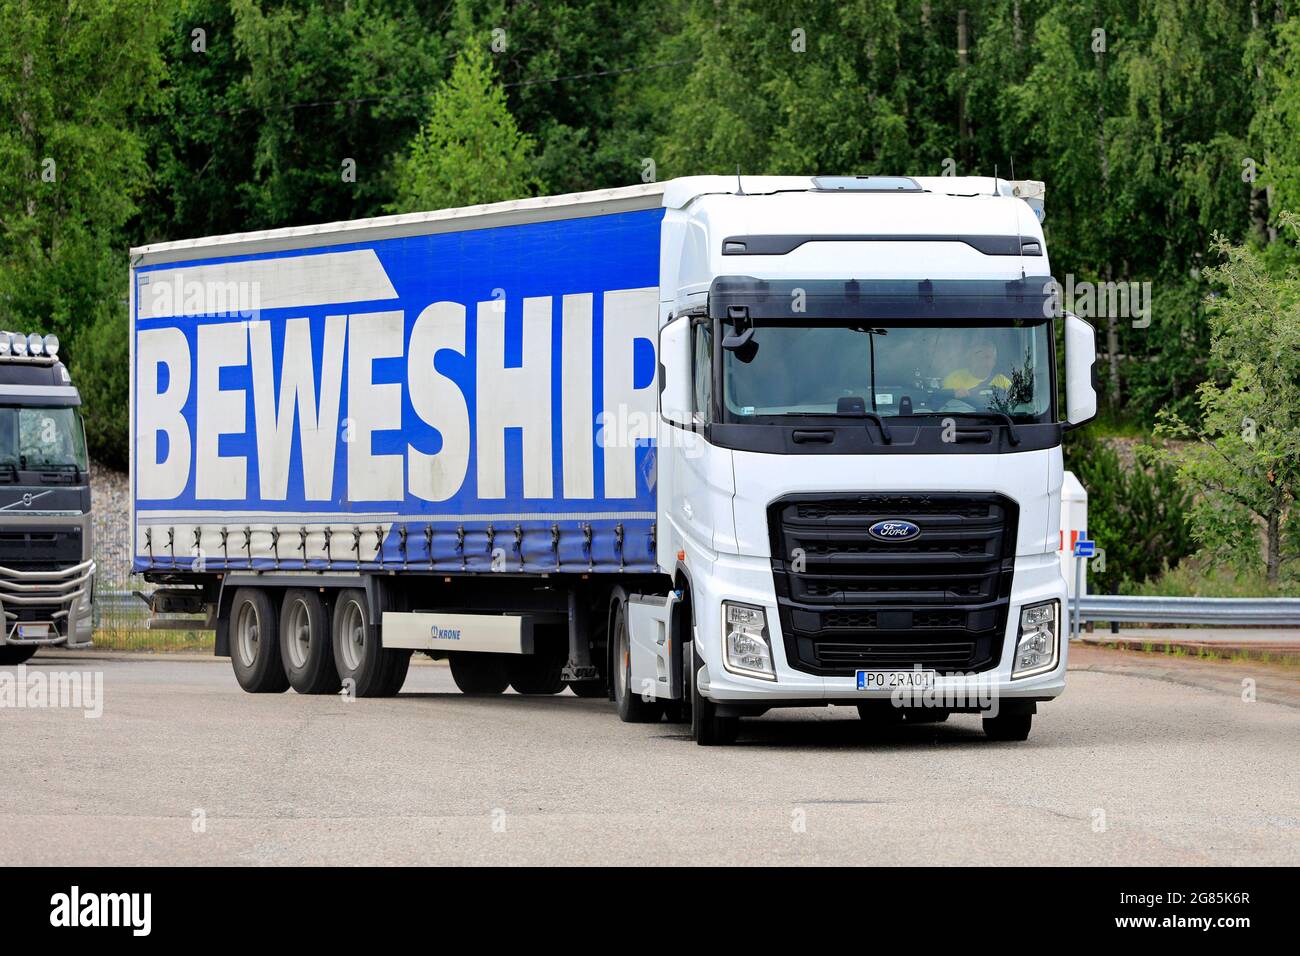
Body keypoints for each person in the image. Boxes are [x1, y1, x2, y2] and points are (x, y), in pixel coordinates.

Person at [942, 331, 1011, 398]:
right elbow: (944, 404)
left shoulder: (1003, 382)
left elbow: (1016, 403)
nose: (982, 360)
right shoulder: (954, 379)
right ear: (969, 359)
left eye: (987, 357)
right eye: (978, 356)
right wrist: (954, 395)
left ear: (994, 362)